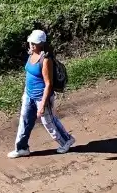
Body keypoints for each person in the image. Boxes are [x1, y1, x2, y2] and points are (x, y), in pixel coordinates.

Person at [8, 30, 74, 158]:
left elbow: (48, 84)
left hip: (41, 97)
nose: (32, 45)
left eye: (35, 43)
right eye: (31, 42)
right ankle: (21, 148)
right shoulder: (31, 53)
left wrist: (43, 105)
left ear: (42, 44)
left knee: (49, 123)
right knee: (24, 121)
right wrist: (26, 92)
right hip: (29, 95)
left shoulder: (45, 60)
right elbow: (29, 74)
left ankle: (66, 141)